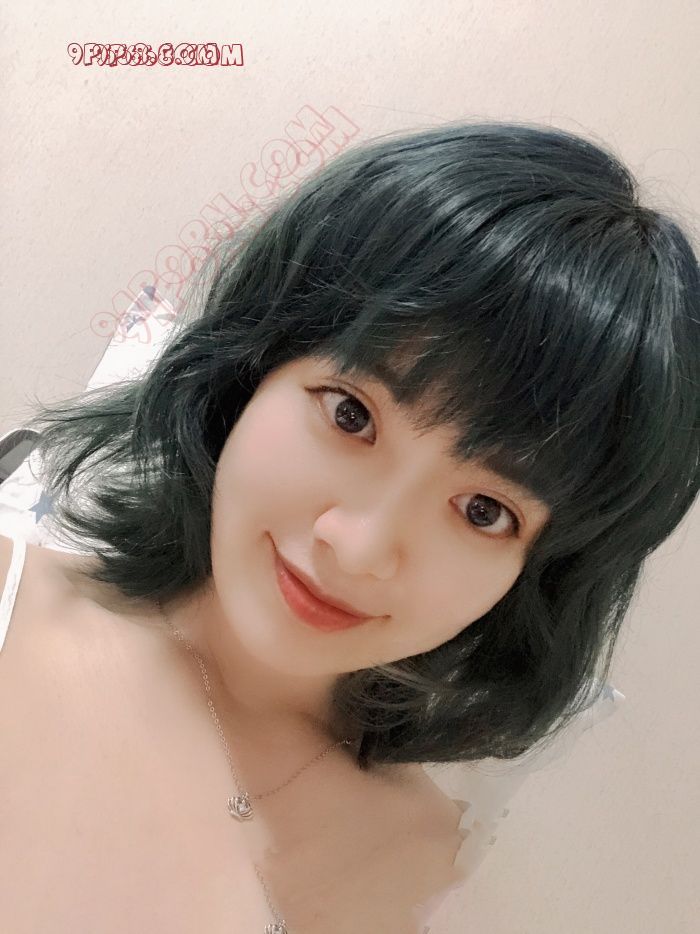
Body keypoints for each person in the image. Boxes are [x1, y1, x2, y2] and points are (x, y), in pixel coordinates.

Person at [1, 119, 698, 933]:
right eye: (350, 414)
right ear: (248, 372)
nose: (358, 546)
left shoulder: (423, 858)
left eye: (485, 511)